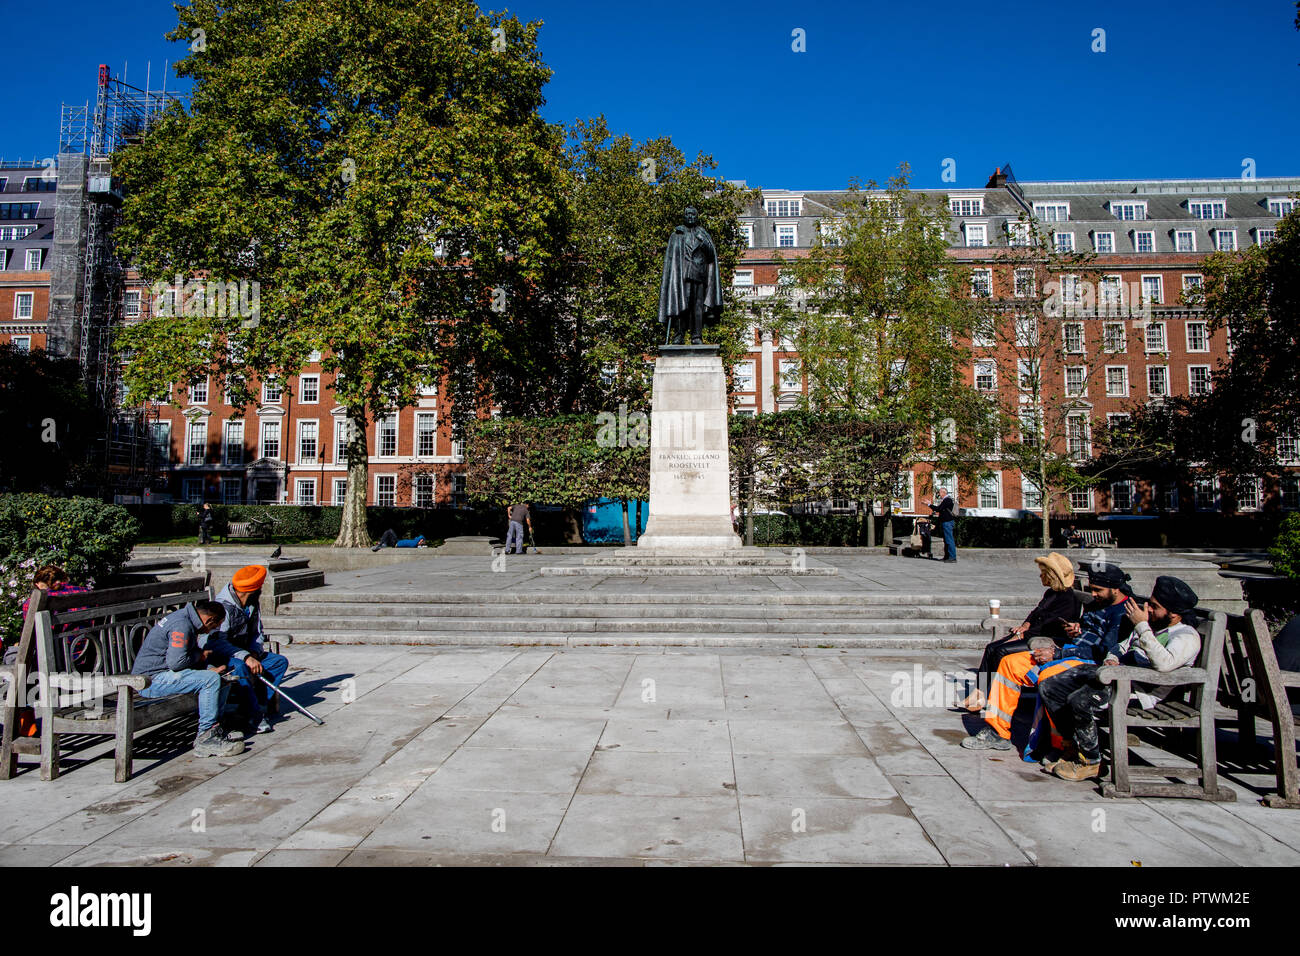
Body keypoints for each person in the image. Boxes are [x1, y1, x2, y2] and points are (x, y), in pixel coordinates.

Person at [1039, 575, 1202, 782]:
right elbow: (1120, 647)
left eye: (1155, 606)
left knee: (1080, 700)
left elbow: (1164, 664)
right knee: (1051, 685)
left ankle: (1090, 761)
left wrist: (1142, 627)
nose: (1148, 609)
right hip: (1117, 677)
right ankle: (1071, 747)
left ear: (1174, 613)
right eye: (1149, 604)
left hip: (1139, 693)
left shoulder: (1185, 636)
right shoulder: (1152, 625)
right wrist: (1112, 659)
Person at [959, 562, 1132, 752]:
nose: (1093, 594)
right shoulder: (1098, 603)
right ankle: (998, 731)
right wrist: (1076, 630)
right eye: (1092, 590)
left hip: (1085, 663)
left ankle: (1057, 745)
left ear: (1115, 589)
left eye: (1098, 590)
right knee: (1009, 663)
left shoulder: (1124, 614)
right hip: (1068, 650)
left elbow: (1104, 651)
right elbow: (1087, 633)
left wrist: (1058, 653)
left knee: (1048, 677)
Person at [956, 553, 1081, 712]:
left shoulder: (1067, 599)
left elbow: (1050, 626)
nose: (1040, 575)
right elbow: (1036, 613)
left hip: (1046, 640)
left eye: (1043, 572)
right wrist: (1026, 624)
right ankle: (978, 693)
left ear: (1051, 576)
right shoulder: (1050, 593)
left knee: (1001, 651)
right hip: (1032, 634)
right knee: (991, 648)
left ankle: (991, 697)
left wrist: (1021, 635)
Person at [131, 599, 245, 757]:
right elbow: (177, 663)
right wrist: (200, 656)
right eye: (215, 626)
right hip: (150, 681)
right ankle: (205, 738)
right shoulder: (182, 625)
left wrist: (210, 668)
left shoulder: (188, 620)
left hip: (165, 675)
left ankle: (216, 730)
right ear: (209, 620)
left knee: (221, 678)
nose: (214, 630)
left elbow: (184, 658)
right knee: (210, 680)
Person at [205, 565, 290, 735]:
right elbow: (218, 643)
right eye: (259, 588)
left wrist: (254, 652)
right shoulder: (224, 607)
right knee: (240, 667)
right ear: (250, 591)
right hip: (223, 656)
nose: (261, 591)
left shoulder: (251, 603)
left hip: (245, 653)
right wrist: (245, 657)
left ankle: (256, 705)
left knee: (279, 662)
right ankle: (254, 715)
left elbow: (257, 632)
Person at [928, 487, 957, 562]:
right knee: (946, 540)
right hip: (946, 522)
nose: (939, 494)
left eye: (940, 492)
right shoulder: (946, 500)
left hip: (947, 522)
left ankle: (952, 557)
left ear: (944, 493)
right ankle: (947, 556)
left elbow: (938, 509)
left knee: (949, 540)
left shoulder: (947, 500)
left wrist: (929, 504)